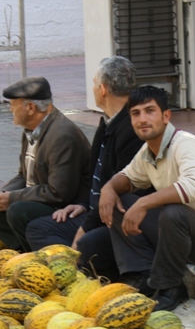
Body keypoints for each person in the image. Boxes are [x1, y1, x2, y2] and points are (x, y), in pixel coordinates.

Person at [99, 86, 195, 312]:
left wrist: (144, 203)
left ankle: (171, 288)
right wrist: (108, 189)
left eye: (150, 111)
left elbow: (193, 187)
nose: (142, 119)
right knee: (121, 201)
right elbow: (128, 176)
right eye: (136, 114)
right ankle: (145, 275)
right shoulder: (148, 150)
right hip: (185, 235)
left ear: (166, 116)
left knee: (173, 213)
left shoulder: (186, 144)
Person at [25, 56, 145, 280]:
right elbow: (96, 177)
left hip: (118, 219)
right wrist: (81, 204)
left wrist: (83, 230)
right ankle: (71, 266)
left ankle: (86, 271)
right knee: (38, 228)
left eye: (93, 83)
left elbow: (118, 190)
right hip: (94, 213)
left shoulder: (131, 128)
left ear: (102, 89)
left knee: (87, 244)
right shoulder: (108, 121)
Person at [0, 76, 91, 251]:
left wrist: (12, 198)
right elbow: (23, 175)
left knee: (17, 210)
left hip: (63, 208)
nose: (10, 109)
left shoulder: (62, 135)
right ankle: (20, 246)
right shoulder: (31, 130)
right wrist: (3, 194)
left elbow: (59, 193)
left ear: (30, 107)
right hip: (37, 197)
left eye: (13, 104)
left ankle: (32, 251)